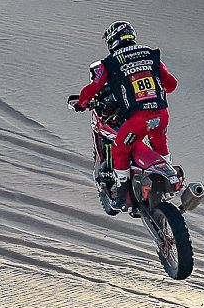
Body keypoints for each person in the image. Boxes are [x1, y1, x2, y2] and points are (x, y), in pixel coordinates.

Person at [73, 21, 178, 211]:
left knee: (119, 149)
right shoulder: (151, 54)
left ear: (112, 41)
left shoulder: (110, 63)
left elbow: (94, 88)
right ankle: (169, 181)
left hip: (138, 119)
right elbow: (171, 84)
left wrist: (81, 103)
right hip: (161, 115)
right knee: (160, 143)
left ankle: (123, 195)